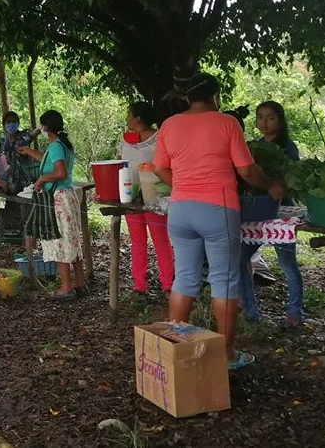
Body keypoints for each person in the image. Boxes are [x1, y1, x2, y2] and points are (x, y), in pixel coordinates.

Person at [152, 73, 283, 370]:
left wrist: (185, 187)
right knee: (224, 281)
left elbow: (159, 169)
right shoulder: (227, 123)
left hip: (180, 210)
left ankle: (177, 349)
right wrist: (272, 185)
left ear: (186, 96)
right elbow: (247, 171)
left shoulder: (169, 125)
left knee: (185, 277)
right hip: (217, 208)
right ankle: (225, 355)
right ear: (216, 96)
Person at [239, 100, 304, 327]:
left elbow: (292, 177)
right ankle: (249, 312)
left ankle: (294, 313)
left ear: (280, 121)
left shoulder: (288, 146)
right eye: (260, 117)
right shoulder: (251, 146)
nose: (264, 122)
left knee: (287, 264)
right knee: (240, 260)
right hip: (254, 211)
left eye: (270, 117)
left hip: (281, 212)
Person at [18, 110, 86, 299]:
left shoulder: (55, 146)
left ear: (46, 128)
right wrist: (30, 151)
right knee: (72, 240)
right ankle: (80, 282)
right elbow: (49, 160)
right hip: (68, 197)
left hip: (58, 199)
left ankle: (65, 287)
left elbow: (60, 171)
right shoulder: (61, 144)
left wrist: (41, 179)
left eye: (42, 127)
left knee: (59, 240)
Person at [116, 102, 173, 297]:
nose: (126, 119)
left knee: (160, 241)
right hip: (131, 198)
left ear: (138, 118)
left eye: (128, 114)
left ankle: (168, 284)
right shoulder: (125, 140)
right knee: (137, 241)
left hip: (155, 197)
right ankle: (139, 286)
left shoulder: (160, 139)